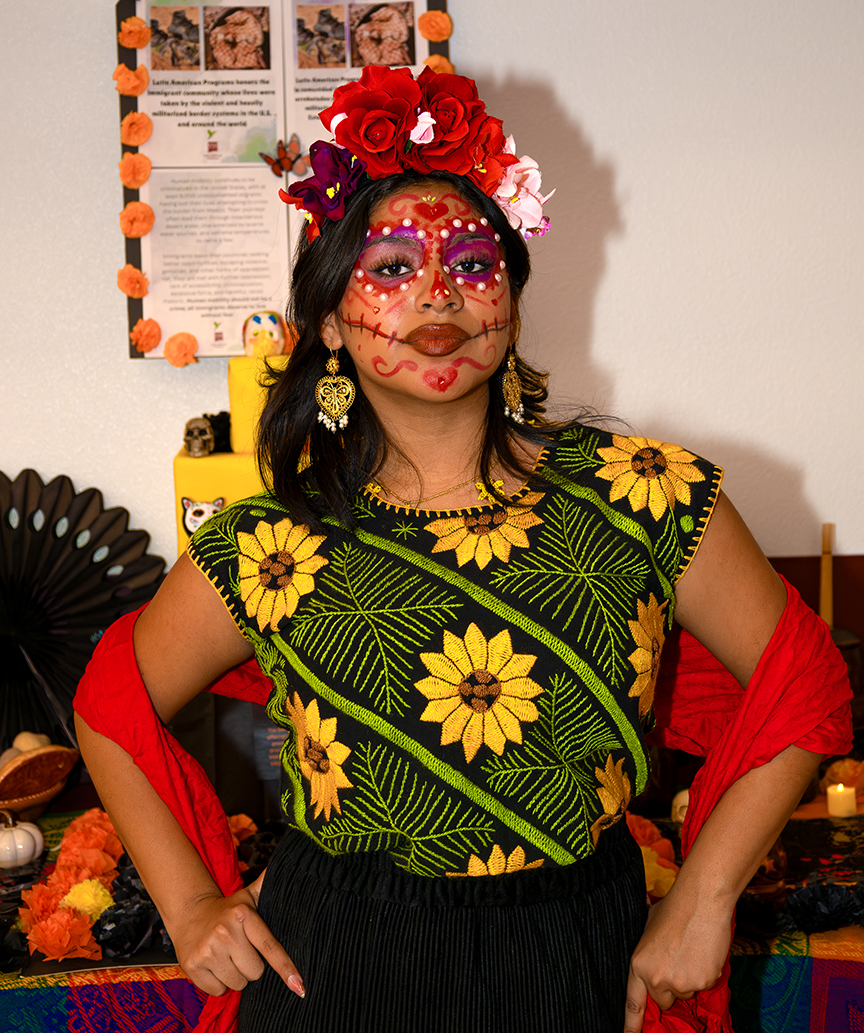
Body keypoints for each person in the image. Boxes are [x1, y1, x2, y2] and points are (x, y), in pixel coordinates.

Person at [75, 65, 851, 1033]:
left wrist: (705, 894)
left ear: (512, 305)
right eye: (391, 269)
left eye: (474, 265)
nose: (436, 293)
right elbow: (111, 704)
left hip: (576, 957)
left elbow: (806, 682)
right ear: (328, 325)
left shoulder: (644, 496)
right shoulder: (269, 542)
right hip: (339, 963)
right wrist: (190, 903)